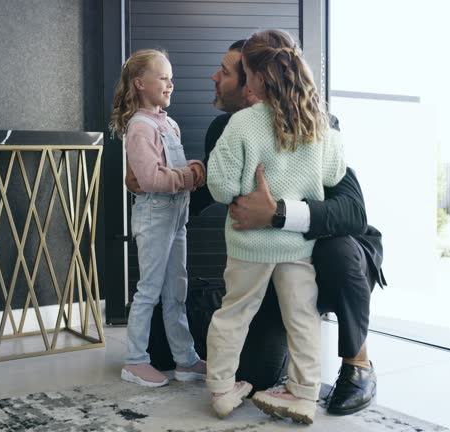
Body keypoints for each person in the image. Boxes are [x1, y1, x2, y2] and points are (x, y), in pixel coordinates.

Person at [126, 41, 384, 416]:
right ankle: (304, 393)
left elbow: (351, 211)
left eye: (228, 71)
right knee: (276, 351)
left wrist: (277, 212)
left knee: (335, 251)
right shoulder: (238, 126)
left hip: (318, 249)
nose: (215, 77)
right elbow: (205, 196)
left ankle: (357, 362)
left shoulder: (310, 122)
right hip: (293, 253)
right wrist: (154, 181)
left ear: (253, 81)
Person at [204, 29, 346, 424]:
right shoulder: (318, 122)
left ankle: (220, 388)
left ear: (259, 76)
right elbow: (334, 173)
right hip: (297, 245)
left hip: (249, 244)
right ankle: (303, 393)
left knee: (233, 313)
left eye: (246, 74)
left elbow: (221, 188)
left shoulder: (244, 123)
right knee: (303, 317)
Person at [109, 49, 208, 388]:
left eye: (170, 77)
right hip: (154, 215)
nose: (171, 83)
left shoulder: (170, 123)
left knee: (175, 290)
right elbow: (150, 179)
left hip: (177, 216)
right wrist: (191, 175)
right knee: (149, 290)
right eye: (163, 77)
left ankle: (185, 359)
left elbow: (166, 172)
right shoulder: (139, 127)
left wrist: (185, 175)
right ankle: (135, 360)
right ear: (140, 84)